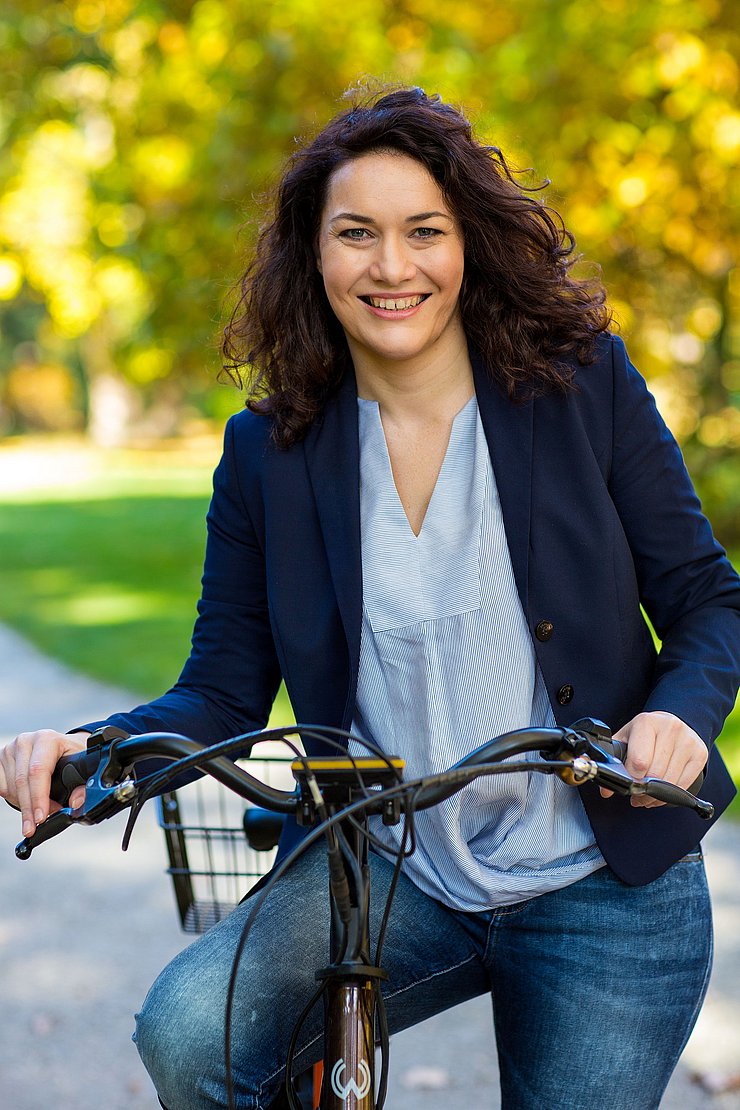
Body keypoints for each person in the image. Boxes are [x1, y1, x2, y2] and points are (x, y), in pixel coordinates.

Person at [2, 85, 740, 1110]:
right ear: (313, 256)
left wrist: (677, 715)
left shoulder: (578, 389)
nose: (391, 268)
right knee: (187, 1036)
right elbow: (218, 690)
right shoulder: (270, 454)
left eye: (422, 233)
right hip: (391, 871)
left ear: (466, 246)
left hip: (602, 878)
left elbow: (709, 601)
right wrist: (89, 750)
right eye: (355, 234)